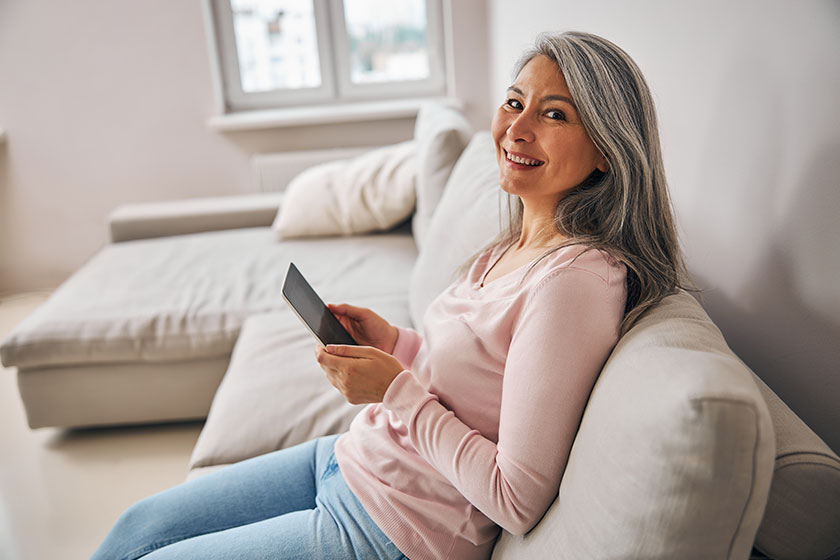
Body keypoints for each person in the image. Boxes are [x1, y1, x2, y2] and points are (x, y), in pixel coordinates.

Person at [91, 31, 689, 560]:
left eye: (554, 115)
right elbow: (480, 379)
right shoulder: (514, 239)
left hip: (397, 530)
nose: (517, 127)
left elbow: (516, 498)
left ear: (608, 152)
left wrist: (394, 391)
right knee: (136, 528)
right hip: (350, 459)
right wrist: (395, 344)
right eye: (514, 102)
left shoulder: (575, 283)